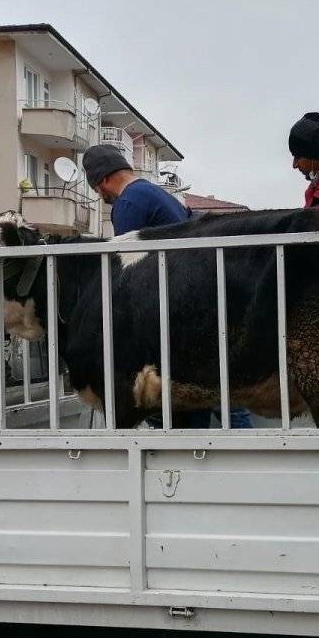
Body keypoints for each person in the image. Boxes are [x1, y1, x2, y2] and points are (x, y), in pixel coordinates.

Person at [82, 144, 255, 429]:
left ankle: (216, 458)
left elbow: (128, 273)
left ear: (101, 181)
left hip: (180, 311)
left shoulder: (129, 204)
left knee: (209, 399)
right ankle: (241, 456)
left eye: (97, 189)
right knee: (218, 393)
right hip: (202, 301)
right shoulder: (154, 194)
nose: (101, 196)